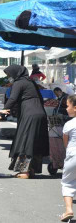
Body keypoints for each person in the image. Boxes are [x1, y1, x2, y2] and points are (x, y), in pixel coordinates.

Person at [1, 64, 49, 179]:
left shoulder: (19, 83)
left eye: (9, 75)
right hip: (40, 114)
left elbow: (12, 99)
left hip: (30, 114)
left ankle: (24, 170)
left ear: (15, 73)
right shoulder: (31, 83)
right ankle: (32, 169)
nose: (9, 77)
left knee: (25, 142)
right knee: (34, 142)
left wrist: (2, 113)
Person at [60, 94, 76, 222]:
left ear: (75, 108)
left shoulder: (69, 124)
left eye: (68, 106)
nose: (66, 108)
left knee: (67, 183)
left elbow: (65, 141)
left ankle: (69, 210)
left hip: (73, 155)